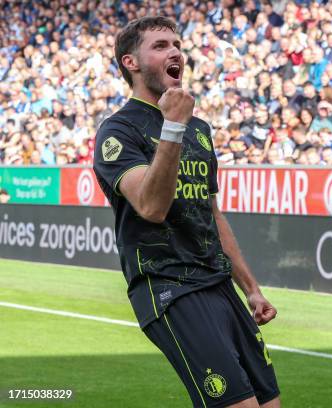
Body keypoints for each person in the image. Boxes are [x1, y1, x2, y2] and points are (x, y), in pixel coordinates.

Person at [93, 17, 280, 408]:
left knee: (268, 404)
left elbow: (211, 214)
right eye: (160, 46)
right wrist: (172, 128)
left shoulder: (199, 129)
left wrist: (251, 288)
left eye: (177, 44)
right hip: (169, 287)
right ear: (131, 63)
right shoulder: (118, 131)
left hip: (218, 283)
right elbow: (151, 207)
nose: (175, 51)